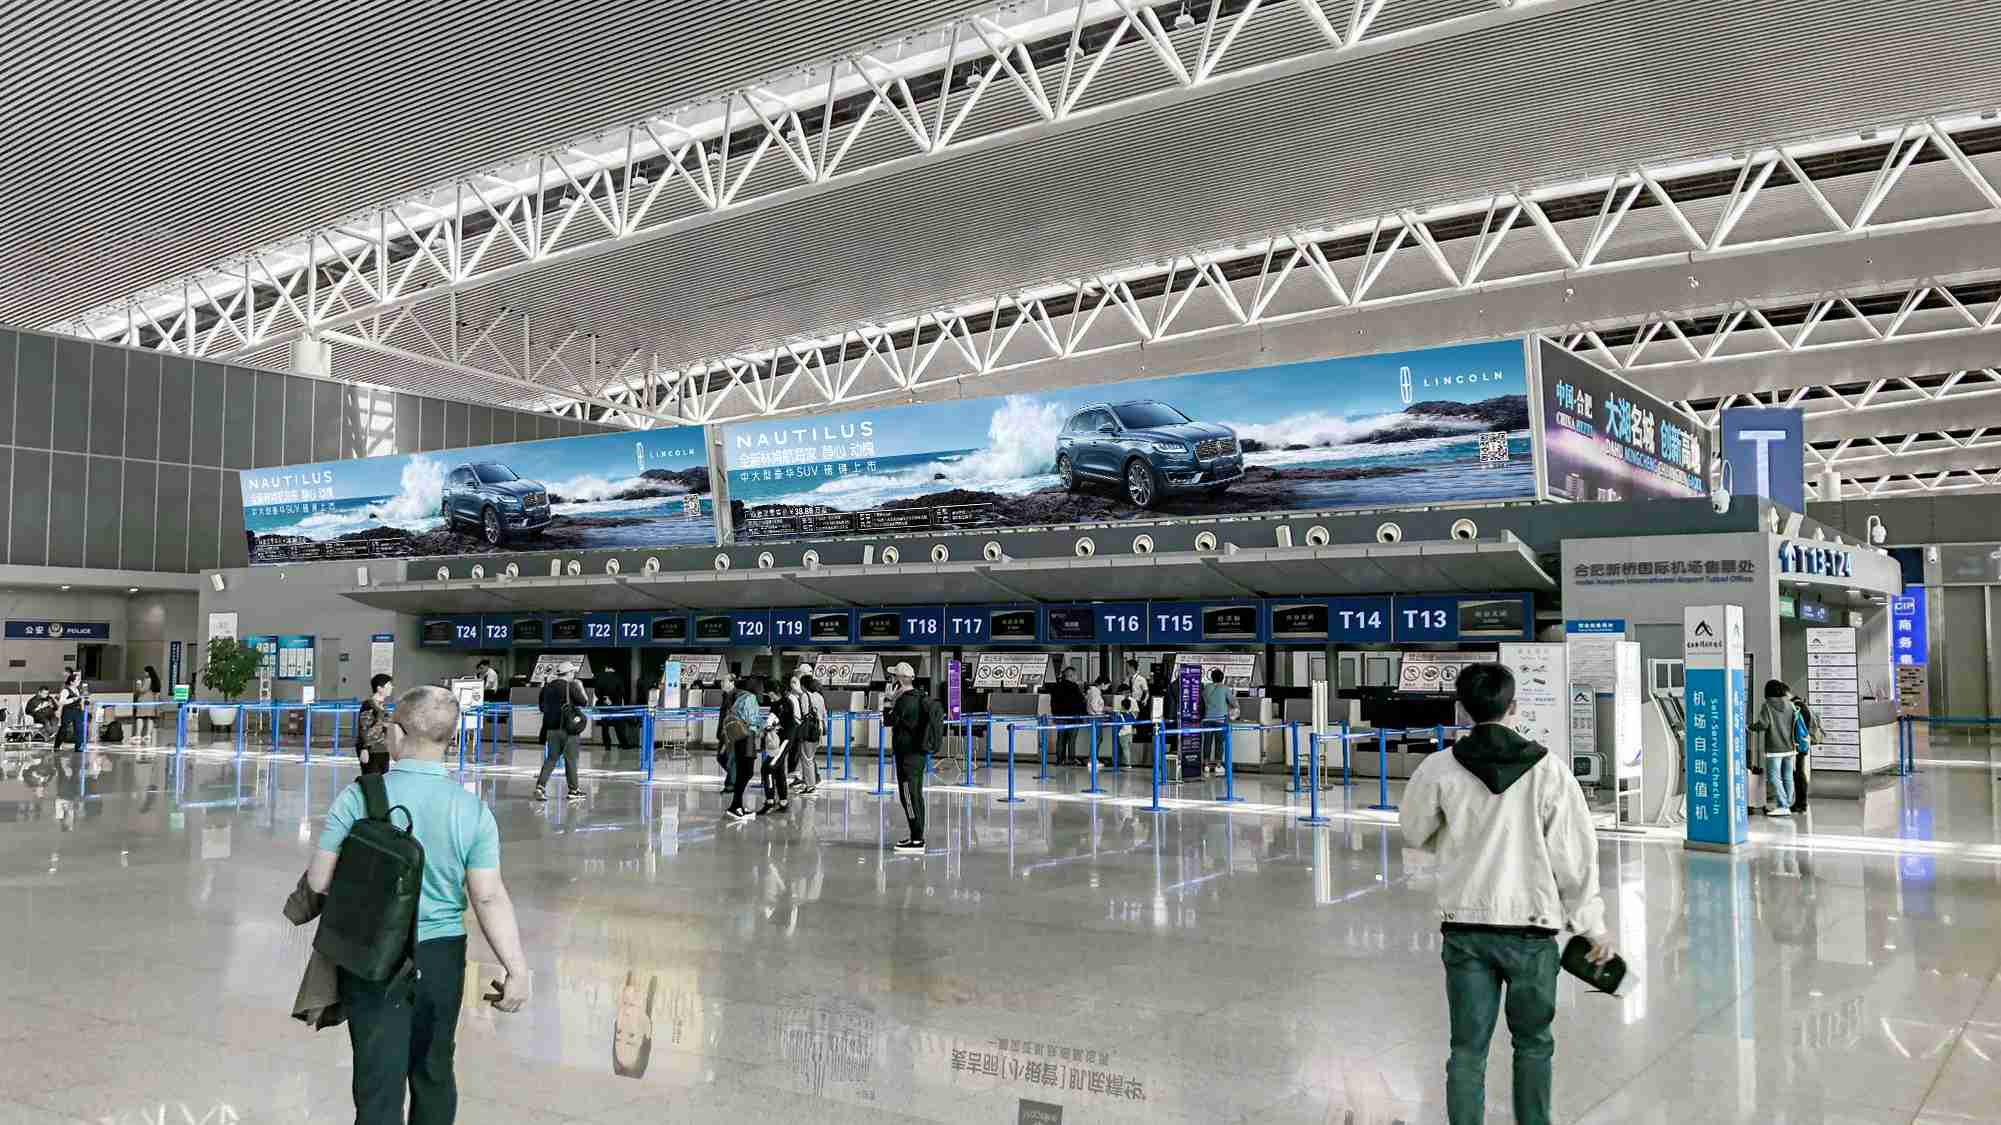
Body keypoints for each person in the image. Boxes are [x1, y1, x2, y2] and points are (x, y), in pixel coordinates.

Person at [304, 685, 530, 1125]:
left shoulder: (359, 797)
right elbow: (487, 896)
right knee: (433, 1070)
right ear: (450, 738)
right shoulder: (471, 809)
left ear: (398, 732)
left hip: (372, 954)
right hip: (441, 957)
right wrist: (516, 969)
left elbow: (319, 880)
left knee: (377, 1080)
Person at [1399, 662, 1610, 1125]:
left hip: (1465, 928)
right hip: (1531, 931)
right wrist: (1591, 926)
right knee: (1533, 1044)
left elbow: (1414, 831)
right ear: (1514, 707)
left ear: (1462, 709)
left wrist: (1451, 836)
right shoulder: (1549, 770)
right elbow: (1574, 857)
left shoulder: (1439, 768)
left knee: (1466, 1050)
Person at [884, 663, 939, 853]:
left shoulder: (904, 701)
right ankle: (917, 835)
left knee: (908, 795)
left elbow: (888, 720)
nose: (891, 680)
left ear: (899, 680)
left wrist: (888, 700)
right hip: (918, 754)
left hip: (907, 756)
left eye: (893, 677)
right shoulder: (920, 697)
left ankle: (917, 840)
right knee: (916, 795)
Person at [535, 664, 590, 803]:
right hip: (568, 730)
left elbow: (541, 707)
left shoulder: (547, 687)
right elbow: (584, 702)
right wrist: (580, 687)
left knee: (551, 759)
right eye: (573, 672)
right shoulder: (571, 686)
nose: (574, 675)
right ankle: (573, 790)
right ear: (569, 673)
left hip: (551, 730)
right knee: (571, 760)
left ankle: (540, 787)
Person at [1751, 679, 1800, 818]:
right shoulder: (1790, 705)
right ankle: (1787, 803)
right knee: (1788, 776)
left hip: (1774, 748)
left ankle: (1783, 805)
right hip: (1790, 747)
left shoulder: (1767, 706)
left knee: (1774, 777)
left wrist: (1751, 727)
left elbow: (1763, 724)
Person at [724, 677, 762, 821]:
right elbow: (752, 719)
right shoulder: (750, 698)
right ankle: (735, 806)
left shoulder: (739, 697)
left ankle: (737, 804)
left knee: (742, 771)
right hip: (747, 737)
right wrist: (763, 727)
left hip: (738, 738)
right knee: (747, 772)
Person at [758, 686, 793, 816]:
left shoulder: (786, 703)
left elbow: (779, 721)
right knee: (778, 769)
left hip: (784, 740)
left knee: (768, 767)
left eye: (771, 695)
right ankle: (783, 801)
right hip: (777, 740)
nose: (770, 698)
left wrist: (769, 727)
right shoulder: (776, 704)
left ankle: (770, 801)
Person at [1792, 695, 1826, 814]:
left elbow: (1797, 728)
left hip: (1799, 745)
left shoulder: (1798, 708)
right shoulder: (1805, 708)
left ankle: (1801, 803)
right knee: (1799, 773)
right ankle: (1801, 803)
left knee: (1798, 774)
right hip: (1804, 744)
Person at [1048, 665, 1087, 765]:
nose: (1076, 677)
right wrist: (1083, 715)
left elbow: (1052, 703)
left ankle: (1060, 759)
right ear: (1071, 676)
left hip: (1060, 717)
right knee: (1071, 739)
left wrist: (1055, 714)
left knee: (1061, 738)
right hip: (1073, 717)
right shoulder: (1074, 687)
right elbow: (1080, 702)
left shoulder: (1056, 687)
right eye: (1075, 675)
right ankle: (1071, 759)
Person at [356, 673, 394, 775]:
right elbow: (363, 727)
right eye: (389, 685)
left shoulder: (383, 706)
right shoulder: (369, 705)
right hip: (372, 750)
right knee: (372, 779)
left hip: (383, 749)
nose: (391, 687)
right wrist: (364, 749)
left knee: (382, 779)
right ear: (379, 688)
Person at [594, 664, 637, 754]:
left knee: (605, 727)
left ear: (607, 668)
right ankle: (624, 744)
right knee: (619, 726)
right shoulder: (618, 678)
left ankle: (607, 746)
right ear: (613, 669)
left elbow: (597, 692)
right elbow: (622, 692)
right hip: (616, 706)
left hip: (603, 706)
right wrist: (613, 701)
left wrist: (605, 699)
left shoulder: (599, 677)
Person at [794, 673, 825, 795]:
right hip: (818, 729)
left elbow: (805, 713)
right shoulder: (819, 696)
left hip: (808, 730)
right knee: (810, 757)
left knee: (806, 758)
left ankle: (810, 785)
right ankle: (810, 782)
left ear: (803, 685)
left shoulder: (805, 696)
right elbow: (823, 713)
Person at [1200, 668, 1235, 775]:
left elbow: (1202, 701)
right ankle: (1218, 766)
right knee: (1219, 742)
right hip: (1220, 719)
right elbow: (1233, 702)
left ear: (1212, 678)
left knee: (1207, 742)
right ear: (1222, 678)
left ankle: (1206, 765)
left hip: (1207, 719)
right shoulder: (1225, 688)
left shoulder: (1206, 688)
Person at [715, 672, 741, 795]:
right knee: (721, 757)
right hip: (724, 732)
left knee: (729, 758)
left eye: (724, 681)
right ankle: (735, 778)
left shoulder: (735, 696)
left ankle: (731, 784)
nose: (721, 683)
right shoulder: (725, 695)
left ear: (732, 683)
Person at [52, 671, 87, 754]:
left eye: (79, 680)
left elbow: (80, 700)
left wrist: (83, 704)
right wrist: (72, 699)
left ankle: (78, 747)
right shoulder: (65, 690)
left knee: (79, 729)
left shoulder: (78, 690)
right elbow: (61, 702)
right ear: (71, 682)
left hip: (78, 711)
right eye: (77, 680)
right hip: (68, 711)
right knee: (64, 729)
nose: (79, 681)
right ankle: (57, 745)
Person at [1085, 675, 1112, 766]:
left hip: (1094, 717)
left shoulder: (1093, 691)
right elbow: (1095, 706)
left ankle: (1093, 758)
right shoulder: (1095, 692)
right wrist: (1105, 709)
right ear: (1103, 684)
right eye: (1107, 685)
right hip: (1096, 718)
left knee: (1097, 738)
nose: (1107, 688)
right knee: (1097, 739)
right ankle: (1092, 759)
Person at [135, 665, 163, 744]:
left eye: (145, 671)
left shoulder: (148, 680)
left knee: (139, 717)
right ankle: (148, 735)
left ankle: (138, 735)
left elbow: (142, 690)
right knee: (150, 718)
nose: (144, 673)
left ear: (148, 672)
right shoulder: (156, 680)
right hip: (151, 702)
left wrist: (138, 684)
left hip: (144, 702)